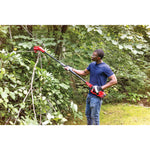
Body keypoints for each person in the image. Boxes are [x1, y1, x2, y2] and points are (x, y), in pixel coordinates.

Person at [65, 49, 117, 125]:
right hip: (90, 94)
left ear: (99, 58)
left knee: (94, 116)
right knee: (88, 115)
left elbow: (114, 80)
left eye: (94, 55)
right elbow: (83, 72)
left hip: (97, 96)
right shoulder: (92, 65)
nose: (91, 56)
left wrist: (100, 88)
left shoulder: (105, 67)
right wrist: (71, 69)